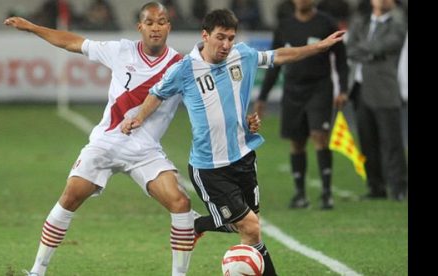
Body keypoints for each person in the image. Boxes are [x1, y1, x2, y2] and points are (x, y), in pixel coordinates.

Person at [121, 8, 345, 275]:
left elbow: (279, 56)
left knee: (249, 229)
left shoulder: (243, 55)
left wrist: (319, 47)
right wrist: (138, 118)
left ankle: (198, 225)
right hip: (209, 167)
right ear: (205, 36)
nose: (226, 45)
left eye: (230, 38)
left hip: (243, 157)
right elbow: (156, 94)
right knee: (250, 226)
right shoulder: (184, 69)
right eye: (220, 37)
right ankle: (204, 230)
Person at [4, 3, 197, 276]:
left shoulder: (181, 65)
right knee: (70, 197)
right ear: (139, 26)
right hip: (106, 144)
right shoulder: (121, 50)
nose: (156, 27)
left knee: (180, 203)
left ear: (169, 26)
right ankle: (37, 271)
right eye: (150, 22)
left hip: (145, 151)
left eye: (162, 22)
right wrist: (32, 27)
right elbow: (73, 42)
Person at [253, 0, 349, 210]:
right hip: (293, 90)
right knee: (296, 142)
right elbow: (274, 63)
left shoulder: (327, 23)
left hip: (320, 88)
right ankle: (300, 194)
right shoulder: (284, 26)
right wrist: (262, 97)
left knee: (319, 137)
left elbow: (341, 59)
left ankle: (326, 193)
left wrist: (342, 89)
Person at [346, 0, 407, 201]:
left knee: (392, 143)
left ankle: (399, 188)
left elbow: (386, 45)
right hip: (360, 90)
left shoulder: (397, 22)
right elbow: (350, 48)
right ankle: (376, 187)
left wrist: (364, 50)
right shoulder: (361, 21)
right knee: (367, 142)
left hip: (385, 90)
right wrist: (370, 52)